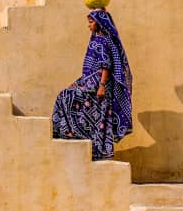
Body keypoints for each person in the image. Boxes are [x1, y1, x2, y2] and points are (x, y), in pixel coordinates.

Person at [52, 9, 133, 160]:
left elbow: (105, 66)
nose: (88, 26)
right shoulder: (99, 40)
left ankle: (74, 134)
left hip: (97, 86)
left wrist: (101, 86)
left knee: (66, 97)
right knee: (68, 97)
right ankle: (77, 135)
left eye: (91, 22)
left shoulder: (101, 41)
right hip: (91, 82)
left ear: (99, 23)